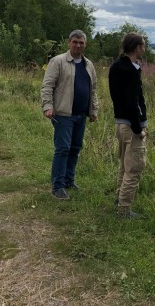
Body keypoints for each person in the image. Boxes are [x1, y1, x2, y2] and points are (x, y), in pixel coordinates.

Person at [41, 30, 99, 200]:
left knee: (75, 148)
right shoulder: (58, 61)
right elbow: (47, 86)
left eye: (81, 42)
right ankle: (57, 186)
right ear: (69, 42)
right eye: (75, 42)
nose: (78, 45)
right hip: (63, 114)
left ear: (85, 44)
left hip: (81, 114)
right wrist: (47, 106)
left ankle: (68, 180)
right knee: (63, 148)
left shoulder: (88, 65)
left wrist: (93, 110)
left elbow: (93, 90)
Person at [109, 33, 147, 218]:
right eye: (143, 46)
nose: (144, 49)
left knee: (124, 165)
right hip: (131, 126)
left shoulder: (116, 66)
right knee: (134, 168)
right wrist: (138, 129)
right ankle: (124, 209)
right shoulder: (130, 71)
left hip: (120, 123)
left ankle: (119, 197)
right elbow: (133, 103)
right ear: (138, 47)